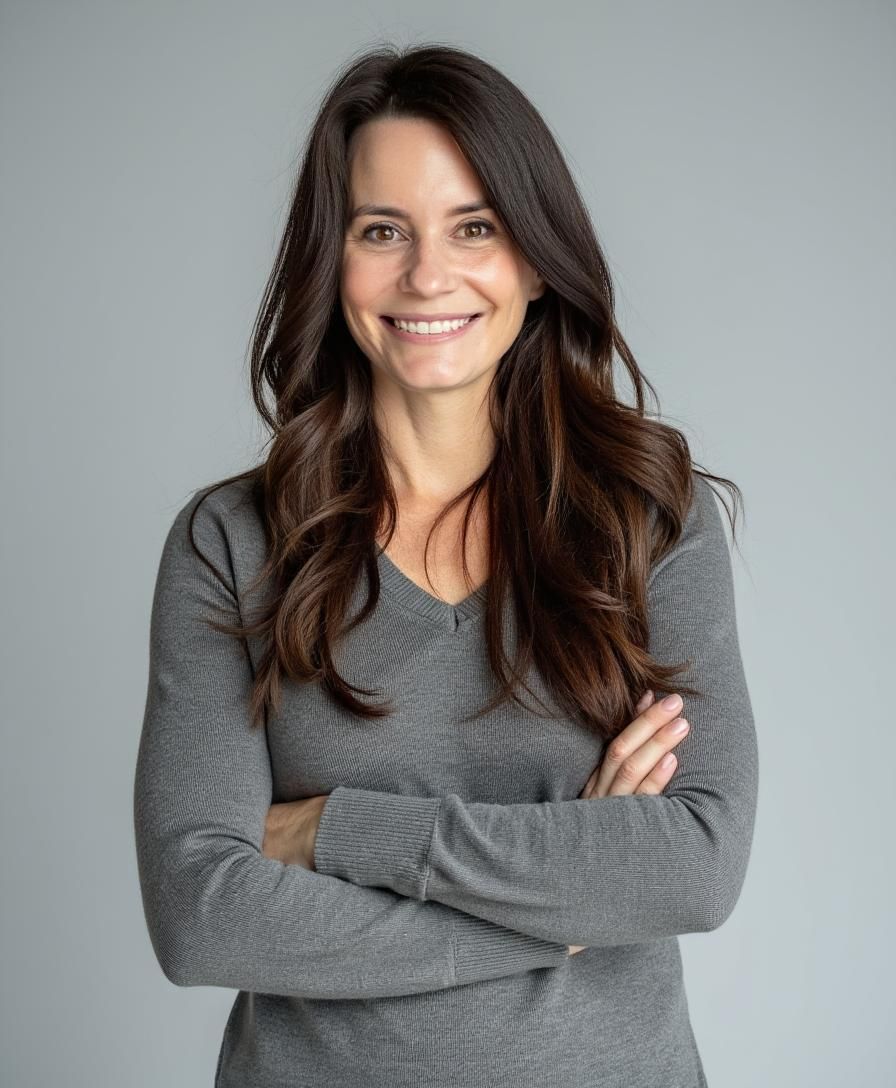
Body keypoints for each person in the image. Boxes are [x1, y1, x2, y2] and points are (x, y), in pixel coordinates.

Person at [133, 43, 758, 1088]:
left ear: (531, 258)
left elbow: (692, 864)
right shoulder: (232, 542)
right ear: (331, 260)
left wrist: (337, 827)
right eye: (383, 231)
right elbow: (201, 913)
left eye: (473, 226)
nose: (428, 274)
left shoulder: (648, 517)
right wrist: (552, 913)